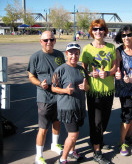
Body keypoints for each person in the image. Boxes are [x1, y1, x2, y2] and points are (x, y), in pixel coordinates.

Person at [79, 19, 116, 164]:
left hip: (108, 90)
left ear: (105, 31)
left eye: (100, 29)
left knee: (105, 121)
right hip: (94, 91)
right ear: (91, 31)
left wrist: (107, 73)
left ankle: (96, 140)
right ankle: (97, 151)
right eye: (95, 29)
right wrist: (89, 73)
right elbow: (83, 69)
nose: (98, 32)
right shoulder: (87, 49)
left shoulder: (111, 48)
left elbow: (114, 68)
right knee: (97, 122)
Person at [27, 31, 65, 164]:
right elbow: (31, 76)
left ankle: (54, 144)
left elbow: (63, 71)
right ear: (40, 41)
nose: (49, 42)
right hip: (44, 98)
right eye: (45, 40)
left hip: (59, 96)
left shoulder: (59, 55)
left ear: (55, 41)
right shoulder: (35, 57)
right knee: (43, 128)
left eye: (51, 39)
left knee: (57, 122)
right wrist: (39, 83)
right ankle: (39, 156)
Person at [51, 42, 89, 164]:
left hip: (79, 106)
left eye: (76, 53)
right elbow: (53, 88)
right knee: (73, 134)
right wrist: (65, 90)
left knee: (75, 132)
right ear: (66, 54)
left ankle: (72, 152)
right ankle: (63, 159)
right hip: (68, 108)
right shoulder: (60, 70)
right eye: (71, 53)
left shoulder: (81, 69)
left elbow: (87, 87)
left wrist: (86, 87)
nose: (74, 56)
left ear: (79, 55)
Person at [114, 25, 132, 156]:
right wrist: (116, 75)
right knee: (127, 115)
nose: (126, 37)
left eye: (129, 35)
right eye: (123, 35)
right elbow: (115, 68)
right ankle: (121, 141)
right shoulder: (119, 51)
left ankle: (129, 137)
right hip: (124, 87)